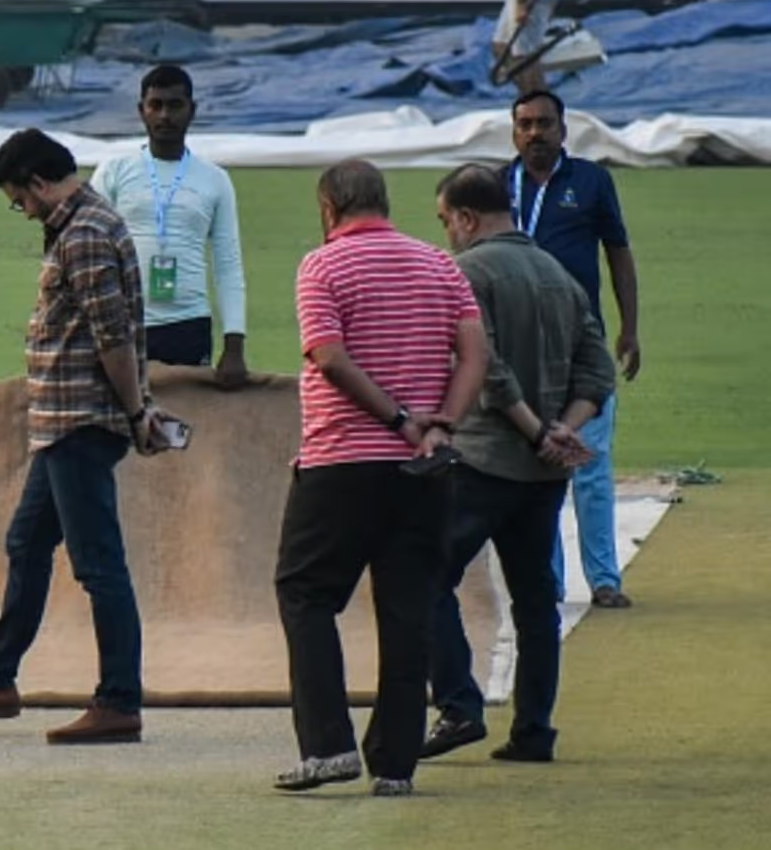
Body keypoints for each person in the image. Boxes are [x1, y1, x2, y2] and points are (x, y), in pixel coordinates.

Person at [0, 128, 175, 744]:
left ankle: (119, 700)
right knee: (27, 543)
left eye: (20, 200)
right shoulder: (84, 224)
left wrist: (137, 412)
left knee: (99, 565)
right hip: (63, 422)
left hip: (79, 421)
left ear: (38, 183)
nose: (24, 211)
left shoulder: (85, 235)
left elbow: (112, 336)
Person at [273, 160, 487, 797]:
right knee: (407, 610)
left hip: (341, 461)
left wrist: (397, 417)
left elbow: (330, 357)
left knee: (306, 594)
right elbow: (475, 354)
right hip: (424, 468)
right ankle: (395, 764)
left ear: (328, 208)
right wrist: (441, 423)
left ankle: (327, 746)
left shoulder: (322, 266)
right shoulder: (439, 264)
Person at [423, 164, 616, 765]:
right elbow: (598, 371)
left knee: (424, 578)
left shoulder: (465, 272)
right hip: (544, 475)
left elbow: (489, 370)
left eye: (445, 221)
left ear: (465, 217)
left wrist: (536, 432)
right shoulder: (558, 274)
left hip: (484, 459)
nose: (447, 234)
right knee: (536, 601)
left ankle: (458, 703)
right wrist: (565, 429)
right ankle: (533, 730)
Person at [504, 90, 640, 609]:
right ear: (514, 132)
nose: (534, 133)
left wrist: (629, 328)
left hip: (584, 343)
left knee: (592, 467)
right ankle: (549, 583)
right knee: (539, 469)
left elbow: (618, 253)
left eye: (544, 123)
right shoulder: (498, 185)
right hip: (521, 346)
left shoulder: (591, 181)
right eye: (525, 125)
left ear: (563, 129)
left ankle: (604, 579)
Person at [90, 65, 248, 386]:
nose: (165, 115)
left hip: (189, 324)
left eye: (175, 105)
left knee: (187, 418)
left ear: (192, 110)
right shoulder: (113, 172)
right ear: (142, 111)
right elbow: (89, 254)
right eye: (156, 105)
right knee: (119, 414)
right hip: (122, 324)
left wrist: (234, 345)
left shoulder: (215, 179)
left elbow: (228, 265)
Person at [495, 0, 566, 93]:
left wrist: (521, 1)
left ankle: (539, 100)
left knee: (525, 57)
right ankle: (529, 95)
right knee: (501, 45)